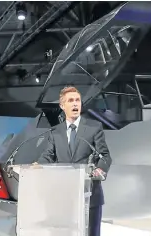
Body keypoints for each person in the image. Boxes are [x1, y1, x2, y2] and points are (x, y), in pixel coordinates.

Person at [36, 86, 112, 236]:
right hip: (64, 195)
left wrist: (100, 169)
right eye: (70, 101)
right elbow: (48, 155)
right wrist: (38, 165)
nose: (75, 104)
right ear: (62, 106)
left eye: (77, 100)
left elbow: (104, 156)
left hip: (90, 195)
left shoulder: (94, 128)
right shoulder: (55, 132)